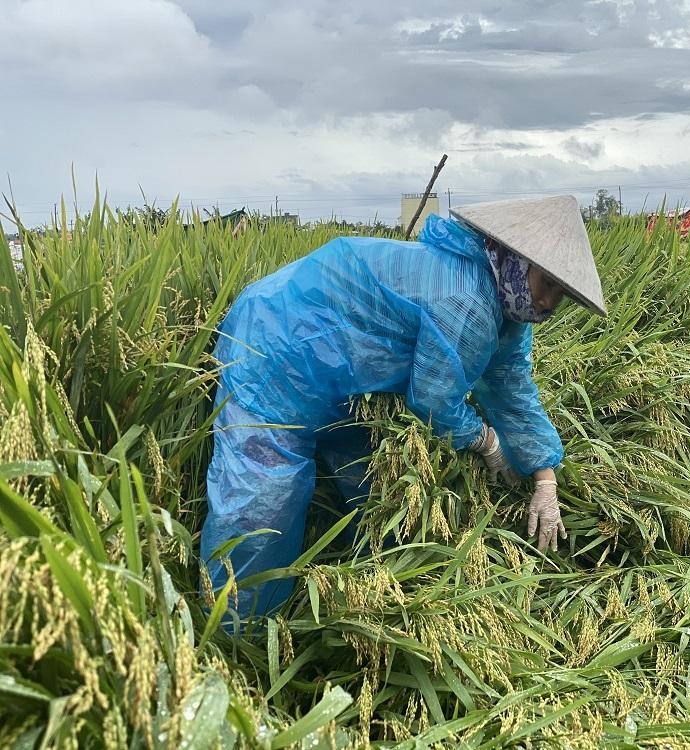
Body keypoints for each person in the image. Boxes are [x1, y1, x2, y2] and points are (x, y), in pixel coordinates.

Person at [200, 195, 606, 617]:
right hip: (275, 342)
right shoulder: (465, 297)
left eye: (562, 296)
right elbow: (433, 400)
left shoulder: (503, 308)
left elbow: (513, 388)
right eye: (547, 285)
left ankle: (366, 590)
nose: (548, 305)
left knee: (372, 490)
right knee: (263, 500)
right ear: (518, 261)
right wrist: (486, 441)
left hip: (345, 373)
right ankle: (234, 633)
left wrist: (545, 480)